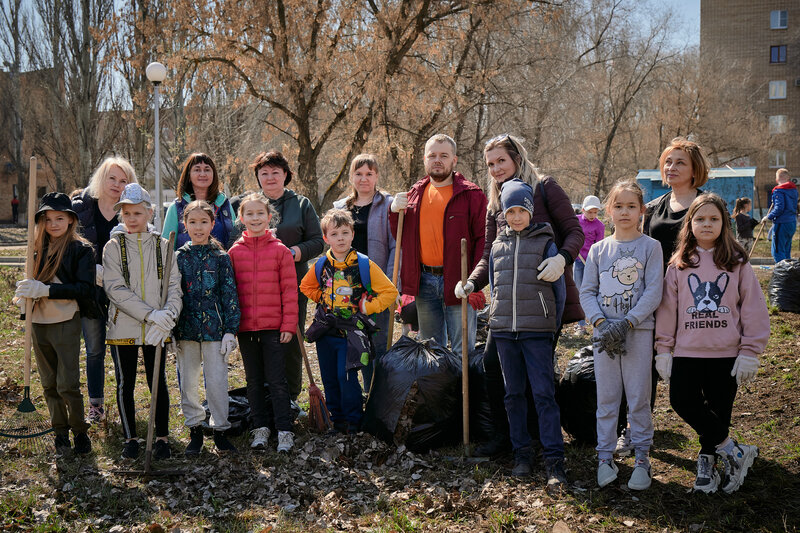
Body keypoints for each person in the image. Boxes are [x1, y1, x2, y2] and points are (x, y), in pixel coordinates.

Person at [460, 134, 584, 458]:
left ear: (516, 157)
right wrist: (472, 282)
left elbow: (575, 231)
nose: (496, 168)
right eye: (490, 164)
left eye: (501, 160)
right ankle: (508, 439)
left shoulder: (545, 188)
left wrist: (563, 259)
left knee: (537, 375)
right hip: (508, 307)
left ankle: (542, 441)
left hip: (544, 302)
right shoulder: (495, 204)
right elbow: (489, 254)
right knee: (492, 365)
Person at [655, 193, 769, 494]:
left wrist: (750, 351)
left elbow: (753, 308)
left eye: (714, 219)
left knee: (718, 410)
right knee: (682, 400)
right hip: (687, 352)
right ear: (689, 224)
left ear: (725, 223)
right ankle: (735, 451)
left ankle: (708, 459)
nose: (707, 224)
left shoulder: (737, 262)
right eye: (700, 218)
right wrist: (663, 350)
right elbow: (667, 310)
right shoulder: (679, 265)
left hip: (726, 353)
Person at [579, 180, 663, 491]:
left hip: (637, 333)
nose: (624, 211)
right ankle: (604, 456)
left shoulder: (651, 247)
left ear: (642, 210)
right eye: (618, 206)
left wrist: (626, 323)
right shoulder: (600, 249)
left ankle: (642, 456)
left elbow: (654, 291)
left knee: (639, 397)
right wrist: (602, 323)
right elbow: (587, 291)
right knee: (608, 397)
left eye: (631, 206)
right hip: (604, 338)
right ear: (608, 211)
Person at [486, 179, 566, 490]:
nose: (516, 216)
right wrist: (496, 317)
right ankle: (521, 453)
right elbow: (494, 286)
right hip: (505, 332)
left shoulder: (546, 243)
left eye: (522, 210)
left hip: (537, 332)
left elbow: (557, 292)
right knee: (513, 394)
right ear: (503, 213)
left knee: (544, 395)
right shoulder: (497, 246)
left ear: (531, 211)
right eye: (510, 211)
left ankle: (554, 459)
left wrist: (550, 326)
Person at [633, 136, 710, 458]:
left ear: (695, 170)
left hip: (696, 300)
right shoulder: (653, 208)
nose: (671, 167)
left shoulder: (708, 206)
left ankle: (711, 436)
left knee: (695, 370)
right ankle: (640, 430)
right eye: (668, 161)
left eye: (680, 162)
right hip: (658, 298)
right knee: (646, 367)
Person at [13, 193, 98, 454]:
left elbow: (84, 289)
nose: (53, 224)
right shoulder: (35, 248)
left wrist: (45, 289)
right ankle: (60, 433)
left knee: (67, 384)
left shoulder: (81, 250)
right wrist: (24, 294)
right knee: (49, 383)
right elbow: (30, 283)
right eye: (47, 219)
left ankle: (79, 431)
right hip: (38, 322)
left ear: (71, 220)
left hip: (64, 319)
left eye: (59, 218)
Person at [389, 134, 487, 360]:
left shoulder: (471, 195)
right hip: (424, 281)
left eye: (444, 155)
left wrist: (475, 281)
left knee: (463, 350)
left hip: (459, 281)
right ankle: (440, 394)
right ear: (425, 159)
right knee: (432, 350)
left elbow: (483, 239)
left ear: (454, 160)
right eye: (432, 155)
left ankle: (464, 393)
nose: (437, 160)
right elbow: (403, 238)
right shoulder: (415, 194)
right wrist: (394, 213)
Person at [300, 209, 398, 433]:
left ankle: (354, 421)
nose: (340, 238)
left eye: (345, 232)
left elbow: (390, 292)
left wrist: (368, 307)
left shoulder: (364, 265)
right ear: (326, 238)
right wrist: (323, 299)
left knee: (347, 377)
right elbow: (305, 286)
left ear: (353, 234)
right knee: (330, 378)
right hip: (326, 332)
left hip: (352, 334)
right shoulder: (321, 265)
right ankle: (338, 420)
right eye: (334, 234)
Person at [103, 184, 182, 460]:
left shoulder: (164, 247)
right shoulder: (113, 247)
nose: (132, 218)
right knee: (125, 381)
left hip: (158, 327)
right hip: (124, 324)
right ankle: (130, 438)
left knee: (156, 379)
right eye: (126, 213)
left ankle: (161, 437)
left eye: (138, 212)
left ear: (149, 213)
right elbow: (115, 290)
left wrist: (167, 317)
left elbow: (174, 286)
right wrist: (150, 315)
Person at [252, 151, 324, 406]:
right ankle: (263, 395)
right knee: (260, 340)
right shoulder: (248, 205)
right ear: (258, 177)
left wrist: (294, 252)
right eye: (264, 173)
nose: (270, 177)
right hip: (257, 286)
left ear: (285, 175)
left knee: (291, 338)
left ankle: (291, 395)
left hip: (293, 282)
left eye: (275, 172)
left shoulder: (301, 204)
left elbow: (318, 242)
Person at [228, 193, 298, 452]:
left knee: (278, 382)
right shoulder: (235, 252)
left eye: (260, 214)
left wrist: (288, 325)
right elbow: (231, 292)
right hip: (246, 329)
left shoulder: (280, 251)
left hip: (274, 329)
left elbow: (290, 291)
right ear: (241, 218)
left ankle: (284, 430)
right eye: (250, 214)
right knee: (254, 382)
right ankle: (260, 428)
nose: (255, 218)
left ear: (269, 217)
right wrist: (232, 326)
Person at [72, 156, 138, 424]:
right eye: (112, 178)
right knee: (95, 349)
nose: (117, 184)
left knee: (121, 349)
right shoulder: (81, 208)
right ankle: (96, 406)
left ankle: (125, 403)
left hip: (122, 293)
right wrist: (91, 273)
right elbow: (71, 249)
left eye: (123, 180)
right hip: (91, 292)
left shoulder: (132, 210)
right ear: (102, 177)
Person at [175, 201, 241, 456]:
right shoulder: (180, 257)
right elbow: (173, 293)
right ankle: (194, 429)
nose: (198, 227)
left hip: (215, 329)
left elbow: (229, 294)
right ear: (185, 225)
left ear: (212, 224)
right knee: (188, 382)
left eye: (204, 222)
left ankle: (221, 430)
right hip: (186, 329)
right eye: (193, 222)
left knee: (216, 381)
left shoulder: (221, 257)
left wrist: (230, 329)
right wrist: (171, 329)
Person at [333, 154, 396, 391]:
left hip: (375, 286)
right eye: (358, 174)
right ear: (351, 177)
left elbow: (394, 246)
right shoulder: (340, 208)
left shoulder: (388, 205)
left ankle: (378, 395)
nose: (364, 179)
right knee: (353, 344)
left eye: (369, 174)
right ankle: (356, 394)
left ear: (377, 176)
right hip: (346, 286)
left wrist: (388, 285)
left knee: (377, 343)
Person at [162, 153, 237, 250]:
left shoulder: (224, 205)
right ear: (188, 175)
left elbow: (235, 240)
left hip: (221, 264)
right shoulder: (176, 208)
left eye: (207, 170)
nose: (203, 174)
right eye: (197, 170)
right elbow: (166, 248)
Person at [574, 195, 605, 335]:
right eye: (589, 212)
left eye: (595, 212)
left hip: (591, 263)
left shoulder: (599, 226)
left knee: (593, 292)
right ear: (583, 210)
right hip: (578, 261)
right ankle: (581, 325)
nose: (592, 215)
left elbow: (599, 246)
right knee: (579, 291)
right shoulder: (576, 221)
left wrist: (595, 262)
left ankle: (596, 322)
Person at [762, 168, 797, 263]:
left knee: (777, 251)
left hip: (782, 223)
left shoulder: (779, 191)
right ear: (788, 177)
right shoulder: (794, 190)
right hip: (792, 222)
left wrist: (768, 217)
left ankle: (781, 273)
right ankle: (788, 273)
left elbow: (779, 208)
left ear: (777, 179)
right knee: (786, 249)